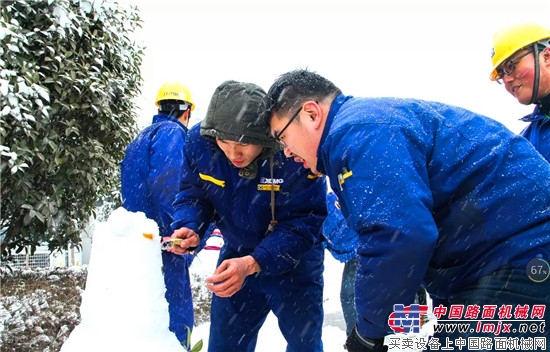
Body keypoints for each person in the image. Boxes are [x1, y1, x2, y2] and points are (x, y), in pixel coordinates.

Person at [261, 69, 550, 351]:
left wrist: (368, 333)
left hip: (519, 253)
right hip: (493, 259)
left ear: (311, 114)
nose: (285, 151)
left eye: (282, 136)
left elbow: (397, 236)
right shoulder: (363, 128)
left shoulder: (357, 133)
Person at [166, 80, 327, 352]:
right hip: (235, 254)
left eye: (243, 144)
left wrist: (255, 262)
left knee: (304, 344)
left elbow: (305, 221)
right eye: (224, 141)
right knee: (226, 344)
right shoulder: (200, 144)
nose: (233, 153)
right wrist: (190, 225)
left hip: (294, 262)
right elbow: (194, 193)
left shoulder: (291, 151)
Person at [120, 81, 202, 350]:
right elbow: (168, 184)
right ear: (186, 111)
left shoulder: (139, 139)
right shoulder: (172, 134)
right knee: (175, 318)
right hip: (166, 243)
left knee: (145, 319)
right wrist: (177, 233)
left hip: (141, 244)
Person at [490, 22, 550, 161]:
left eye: (510, 66)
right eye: (501, 74)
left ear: (547, 57)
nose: (506, 80)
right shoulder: (526, 143)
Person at [323, 190, 358, 336]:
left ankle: (354, 337)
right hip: (356, 251)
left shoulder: (328, 201)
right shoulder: (331, 198)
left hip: (362, 247)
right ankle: (355, 337)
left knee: (348, 295)